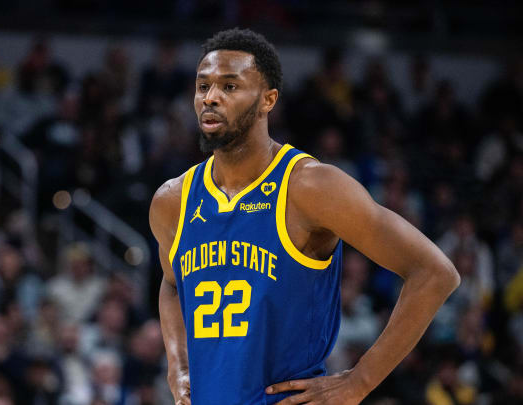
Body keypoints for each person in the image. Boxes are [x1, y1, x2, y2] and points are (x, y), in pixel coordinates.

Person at [149, 28, 460, 405]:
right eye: (203, 86)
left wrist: (359, 381)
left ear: (268, 100)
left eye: (230, 87)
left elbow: (435, 273)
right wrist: (178, 365)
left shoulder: (311, 187)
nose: (211, 98)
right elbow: (170, 284)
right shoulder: (173, 200)